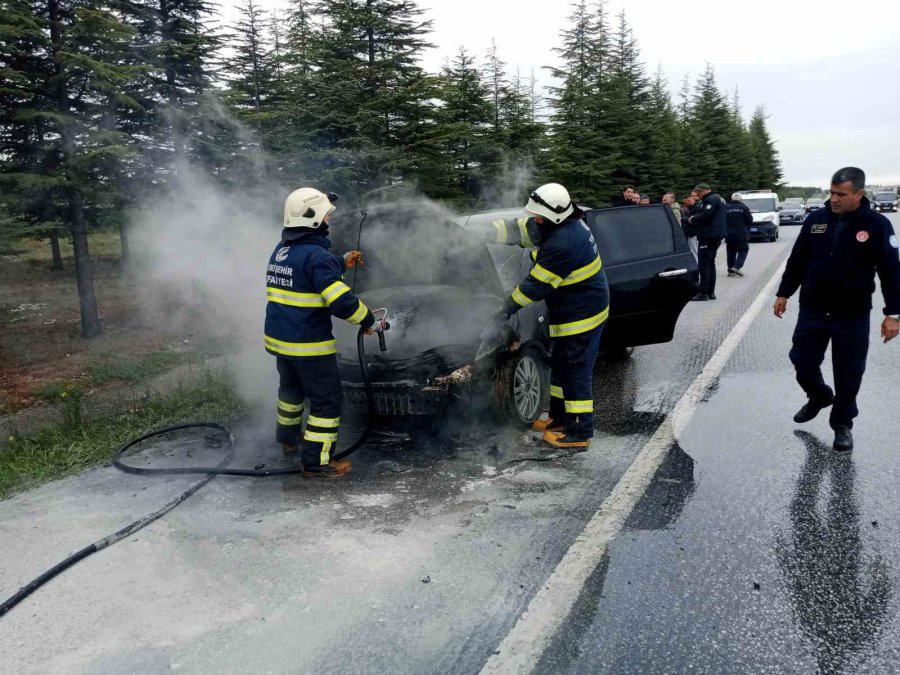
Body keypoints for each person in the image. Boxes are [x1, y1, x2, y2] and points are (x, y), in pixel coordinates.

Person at [774, 167, 900, 451]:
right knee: (802, 360)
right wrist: (784, 293)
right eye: (831, 193)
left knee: (849, 372)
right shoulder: (816, 220)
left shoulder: (877, 224)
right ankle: (818, 395)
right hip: (813, 309)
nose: (834, 199)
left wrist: (893, 313)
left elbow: (891, 271)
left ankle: (842, 424)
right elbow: (797, 259)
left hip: (851, 313)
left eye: (841, 194)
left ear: (859, 193)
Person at [264, 188, 376, 477]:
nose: (329, 219)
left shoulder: (283, 250)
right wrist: (369, 322)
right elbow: (341, 302)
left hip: (282, 344)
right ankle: (317, 462)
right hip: (309, 346)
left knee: (290, 392)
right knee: (327, 402)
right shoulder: (317, 255)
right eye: (327, 214)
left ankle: (288, 440)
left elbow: (307, 274)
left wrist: (340, 261)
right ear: (313, 219)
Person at [495, 183, 610, 450]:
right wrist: (478, 234)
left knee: (575, 370)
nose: (535, 219)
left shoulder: (565, 242)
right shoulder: (557, 222)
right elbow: (521, 229)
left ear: (554, 216)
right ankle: (558, 419)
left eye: (539, 216)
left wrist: (505, 309)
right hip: (568, 309)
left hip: (582, 315)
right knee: (560, 365)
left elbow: (534, 287)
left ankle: (579, 432)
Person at [687, 183, 727, 300]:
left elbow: (706, 214)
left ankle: (703, 292)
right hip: (717, 235)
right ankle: (711, 292)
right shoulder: (720, 198)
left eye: (698, 194)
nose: (698, 197)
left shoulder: (710, 199)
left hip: (708, 235)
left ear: (703, 191)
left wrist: (693, 219)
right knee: (710, 263)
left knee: (704, 264)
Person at [725, 192, 753, 277]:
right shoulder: (744, 208)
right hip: (741, 234)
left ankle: (730, 270)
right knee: (743, 250)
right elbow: (749, 220)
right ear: (741, 199)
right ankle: (737, 267)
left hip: (729, 234)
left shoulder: (726, 208)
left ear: (732, 199)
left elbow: (722, 220)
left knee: (730, 252)